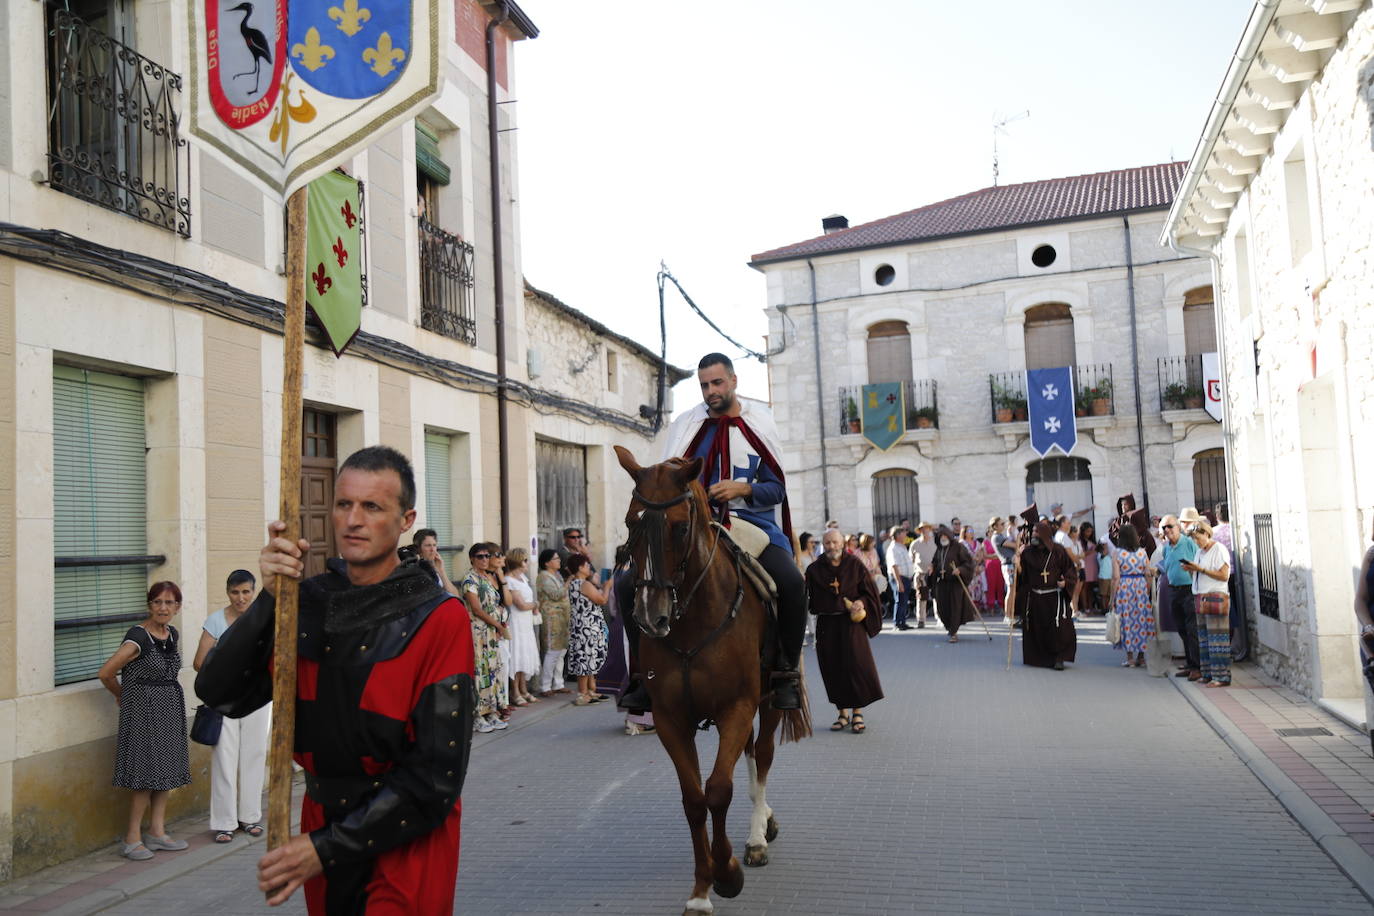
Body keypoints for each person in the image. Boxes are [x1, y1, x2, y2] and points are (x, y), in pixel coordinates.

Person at [195, 445, 475, 913]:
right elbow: (220, 693)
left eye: (372, 507)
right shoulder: (308, 603)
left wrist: (323, 847)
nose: (353, 520)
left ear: (406, 520)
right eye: (344, 504)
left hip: (405, 836)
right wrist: (270, 598)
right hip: (322, 820)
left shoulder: (440, 618)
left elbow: (434, 778)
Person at [658, 352, 807, 709]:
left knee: (792, 584)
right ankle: (642, 676)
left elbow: (777, 489)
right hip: (698, 526)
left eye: (717, 382)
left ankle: (786, 671)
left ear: (734, 380)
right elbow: (667, 485)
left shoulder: (759, 425)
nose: (710, 391)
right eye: (705, 385)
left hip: (752, 526)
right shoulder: (687, 427)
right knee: (633, 581)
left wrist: (744, 489)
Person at [98, 581, 192, 861]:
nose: (163, 608)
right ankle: (131, 839)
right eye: (157, 602)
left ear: (177, 607)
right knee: (144, 777)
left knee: (164, 772)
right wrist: (121, 696)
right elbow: (106, 673)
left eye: (169, 603)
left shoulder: (171, 634)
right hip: (143, 713)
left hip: (168, 709)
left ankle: (157, 832)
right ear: (149, 605)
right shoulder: (137, 637)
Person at [193, 570, 269, 844]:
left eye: (246, 592)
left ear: (253, 591)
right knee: (224, 758)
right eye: (235, 592)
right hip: (224, 699)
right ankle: (224, 822)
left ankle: (250, 817)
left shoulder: (263, 620)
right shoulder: (215, 621)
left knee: (255, 755)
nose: (241, 598)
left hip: (258, 699)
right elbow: (199, 662)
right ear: (228, 593)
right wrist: (228, 669)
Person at [806, 529, 884, 733]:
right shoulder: (814, 570)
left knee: (856, 667)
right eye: (828, 543)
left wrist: (860, 602)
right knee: (834, 669)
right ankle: (842, 714)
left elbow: (870, 593)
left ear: (842, 543)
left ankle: (857, 712)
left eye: (835, 542)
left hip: (852, 626)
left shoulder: (854, 565)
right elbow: (811, 602)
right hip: (828, 627)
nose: (832, 546)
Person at [461, 543, 511, 733]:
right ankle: (477, 715)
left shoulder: (487, 577)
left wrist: (499, 623)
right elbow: (476, 609)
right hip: (478, 632)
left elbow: (495, 603)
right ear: (472, 558)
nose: (484, 559)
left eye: (486, 556)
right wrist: (497, 624)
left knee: (493, 670)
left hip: (491, 632)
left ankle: (491, 711)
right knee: (480, 671)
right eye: (480, 556)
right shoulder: (470, 579)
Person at [1017, 520, 1078, 670]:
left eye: (1037, 532)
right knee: (1036, 629)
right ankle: (1039, 658)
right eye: (1033, 532)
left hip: (1054, 597)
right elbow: (1023, 577)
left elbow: (1070, 570)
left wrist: (1066, 582)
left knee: (1058, 631)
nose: (1033, 534)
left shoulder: (1058, 550)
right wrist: (1017, 564)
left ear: (1045, 534)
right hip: (1035, 598)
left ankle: (1059, 658)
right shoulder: (1027, 552)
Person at [1183, 520, 1233, 687]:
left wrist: (1201, 570)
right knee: (1204, 640)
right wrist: (1192, 570)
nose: (1197, 542)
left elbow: (1224, 575)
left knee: (1217, 639)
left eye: (1198, 538)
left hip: (1215, 597)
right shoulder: (1199, 552)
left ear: (1206, 533)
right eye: (1194, 540)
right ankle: (1207, 673)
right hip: (1201, 597)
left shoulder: (1219, 549)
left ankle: (1221, 677)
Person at [565, 553, 610, 705]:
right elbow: (602, 600)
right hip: (588, 626)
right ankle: (582, 694)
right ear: (580, 567)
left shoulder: (575, 583)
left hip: (582, 625)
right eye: (586, 565)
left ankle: (591, 689)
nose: (589, 567)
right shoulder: (584, 584)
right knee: (585, 658)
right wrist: (608, 587)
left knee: (588, 657)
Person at [1160, 514, 1201, 680]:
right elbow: (1166, 565)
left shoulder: (1189, 543)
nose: (1167, 530)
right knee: (1182, 629)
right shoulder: (1166, 547)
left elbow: (1200, 562)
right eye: (1164, 527)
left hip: (1189, 590)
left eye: (1170, 526)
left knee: (1192, 629)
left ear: (1178, 527)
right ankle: (1190, 664)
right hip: (1173, 590)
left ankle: (1197, 667)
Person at [1108, 526, 1153, 667]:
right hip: (1140, 587)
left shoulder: (1117, 553)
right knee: (1141, 620)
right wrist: (1148, 590)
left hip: (1124, 588)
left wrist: (1111, 598)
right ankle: (1141, 657)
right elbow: (1148, 573)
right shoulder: (1142, 553)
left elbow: (1115, 577)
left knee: (1127, 621)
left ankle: (1130, 658)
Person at [503, 548, 541, 706]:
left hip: (525, 623)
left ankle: (524, 689)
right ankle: (515, 691)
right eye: (525, 560)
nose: (527, 563)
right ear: (518, 561)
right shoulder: (509, 580)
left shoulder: (523, 578)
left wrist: (533, 606)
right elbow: (520, 604)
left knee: (525, 654)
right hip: (516, 622)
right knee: (517, 655)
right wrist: (536, 604)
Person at [535, 550, 573, 696]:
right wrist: (568, 582)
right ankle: (545, 686)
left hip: (562, 618)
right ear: (547, 563)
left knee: (561, 652)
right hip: (552, 619)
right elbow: (556, 595)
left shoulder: (556, 575)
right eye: (555, 559)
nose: (559, 561)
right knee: (552, 652)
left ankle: (558, 683)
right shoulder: (544, 577)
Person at [931, 526, 976, 642]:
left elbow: (969, 562)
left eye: (945, 536)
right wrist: (932, 569)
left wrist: (960, 569)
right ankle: (949, 628)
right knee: (942, 608)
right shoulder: (939, 549)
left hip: (955, 583)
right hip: (942, 583)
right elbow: (935, 563)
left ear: (949, 536)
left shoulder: (958, 547)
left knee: (955, 607)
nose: (943, 538)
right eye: (941, 536)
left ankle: (953, 632)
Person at [884, 525, 915, 630]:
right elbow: (894, 566)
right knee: (899, 599)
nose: (906, 534)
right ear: (897, 535)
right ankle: (897, 623)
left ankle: (902, 621)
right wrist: (899, 582)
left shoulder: (901, 546)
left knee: (904, 600)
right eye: (903, 533)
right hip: (899, 577)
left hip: (905, 577)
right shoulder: (893, 548)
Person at [412, 528, 459, 595]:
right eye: (428, 545)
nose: (432, 549)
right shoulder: (413, 570)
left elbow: (455, 596)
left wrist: (441, 571)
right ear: (418, 548)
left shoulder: (435, 568)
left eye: (434, 545)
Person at [910, 522, 937, 627]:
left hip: (933, 573)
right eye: (923, 529)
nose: (925, 531)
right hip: (921, 573)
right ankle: (921, 620)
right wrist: (915, 571)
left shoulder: (934, 542)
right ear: (920, 531)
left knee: (936, 596)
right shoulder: (915, 544)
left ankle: (939, 617)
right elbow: (911, 559)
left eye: (927, 529)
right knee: (921, 597)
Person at [980, 521, 1007, 613]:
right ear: (988, 532)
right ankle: (990, 605)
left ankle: (1002, 605)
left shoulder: (998, 540)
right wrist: (997, 555)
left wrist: (997, 555)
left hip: (999, 564)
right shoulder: (985, 542)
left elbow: (1003, 552)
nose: (992, 533)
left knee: (1000, 585)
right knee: (991, 585)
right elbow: (985, 555)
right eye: (990, 531)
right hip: (990, 565)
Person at [1078, 522, 1101, 614]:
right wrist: (1091, 551)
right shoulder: (1080, 541)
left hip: (1093, 565)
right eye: (1087, 531)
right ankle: (1085, 607)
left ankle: (1091, 606)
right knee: (1084, 587)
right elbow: (1081, 554)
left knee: (1091, 587)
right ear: (1082, 531)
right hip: (1085, 565)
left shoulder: (1092, 540)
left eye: (1091, 531)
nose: (1089, 533)